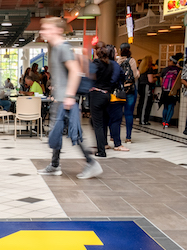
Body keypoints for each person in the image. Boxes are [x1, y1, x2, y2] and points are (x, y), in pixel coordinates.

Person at [37, 17, 102, 179]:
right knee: (57, 132)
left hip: (65, 100)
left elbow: (74, 71)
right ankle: (54, 165)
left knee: (74, 133)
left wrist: (69, 96)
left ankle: (91, 163)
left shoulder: (63, 48)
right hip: (60, 98)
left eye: (47, 28)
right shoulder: (56, 48)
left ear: (58, 30)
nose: (43, 31)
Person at [89, 41, 114, 158]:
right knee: (103, 123)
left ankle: (101, 151)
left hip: (97, 95)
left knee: (97, 124)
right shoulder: (110, 64)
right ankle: (103, 144)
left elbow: (90, 77)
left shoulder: (96, 63)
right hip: (107, 95)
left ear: (95, 51)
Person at [106, 45, 129, 152]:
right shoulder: (115, 65)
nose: (117, 54)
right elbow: (116, 79)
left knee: (105, 120)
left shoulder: (102, 64)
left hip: (104, 97)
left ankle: (104, 143)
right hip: (115, 97)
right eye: (115, 53)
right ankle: (117, 144)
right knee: (115, 120)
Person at [116, 43, 139, 143]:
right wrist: (138, 74)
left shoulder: (117, 60)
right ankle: (128, 137)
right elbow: (134, 75)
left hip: (119, 90)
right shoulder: (132, 60)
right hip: (130, 90)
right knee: (129, 114)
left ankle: (114, 136)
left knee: (117, 114)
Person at [159, 53, 182, 128]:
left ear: (172, 61)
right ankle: (167, 122)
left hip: (165, 90)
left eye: (169, 60)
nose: (168, 62)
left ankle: (163, 121)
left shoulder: (165, 69)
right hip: (173, 91)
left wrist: (163, 87)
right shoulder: (178, 70)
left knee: (165, 106)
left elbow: (161, 79)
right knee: (171, 106)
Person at [136, 55, 154, 125]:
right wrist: (155, 79)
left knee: (141, 102)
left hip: (141, 86)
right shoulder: (149, 69)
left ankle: (140, 117)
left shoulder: (141, 69)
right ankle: (143, 120)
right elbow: (150, 80)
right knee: (146, 103)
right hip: (146, 87)